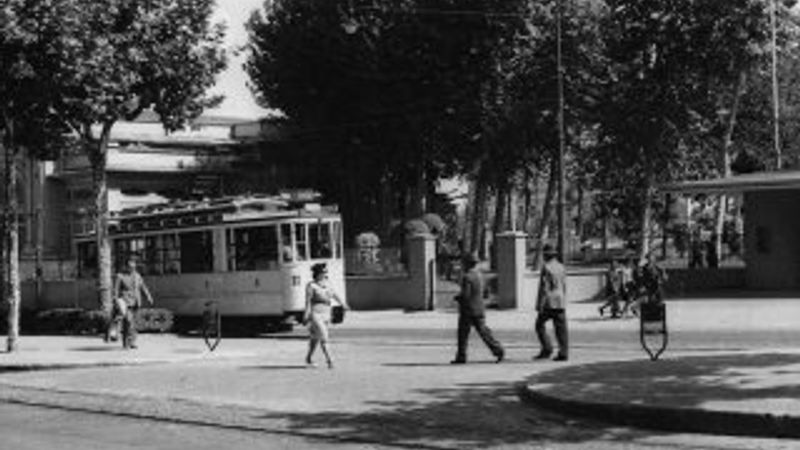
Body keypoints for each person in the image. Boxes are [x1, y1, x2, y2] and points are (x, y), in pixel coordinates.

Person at [451, 253, 505, 364]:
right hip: (479, 308)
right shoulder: (480, 275)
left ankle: (461, 356)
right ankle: (498, 350)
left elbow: (466, 295)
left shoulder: (467, 277)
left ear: (466, 264)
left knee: (463, 334)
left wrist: (458, 298)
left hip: (468, 310)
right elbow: (484, 292)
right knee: (484, 332)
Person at [303, 263, 348, 368]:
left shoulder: (328, 283)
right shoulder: (311, 286)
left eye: (326, 272)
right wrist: (306, 315)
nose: (325, 274)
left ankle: (309, 358)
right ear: (318, 273)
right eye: (323, 272)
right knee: (324, 335)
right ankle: (330, 360)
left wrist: (342, 303)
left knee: (315, 337)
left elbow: (334, 294)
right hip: (316, 313)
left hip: (327, 313)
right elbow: (308, 302)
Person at [534, 244, 568, 361]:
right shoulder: (561, 267)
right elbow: (564, 285)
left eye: (544, 254)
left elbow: (544, 288)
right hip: (560, 301)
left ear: (546, 255)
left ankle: (547, 349)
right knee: (561, 329)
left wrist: (540, 304)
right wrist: (564, 299)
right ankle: (564, 352)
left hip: (549, 301)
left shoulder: (546, 268)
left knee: (539, 325)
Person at [112, 257, 154, 349]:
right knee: (128, 321)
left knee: (133, 323)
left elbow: (143, 287)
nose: (132, 268)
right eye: (130, 266)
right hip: (125, 302)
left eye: (133, 266)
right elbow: (115, 290)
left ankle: (132, 341)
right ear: (126, 266)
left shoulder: (137, 276)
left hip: (136, 302)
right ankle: (127, 342)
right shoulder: (120, 276)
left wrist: (148, 296)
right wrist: (116, 301)